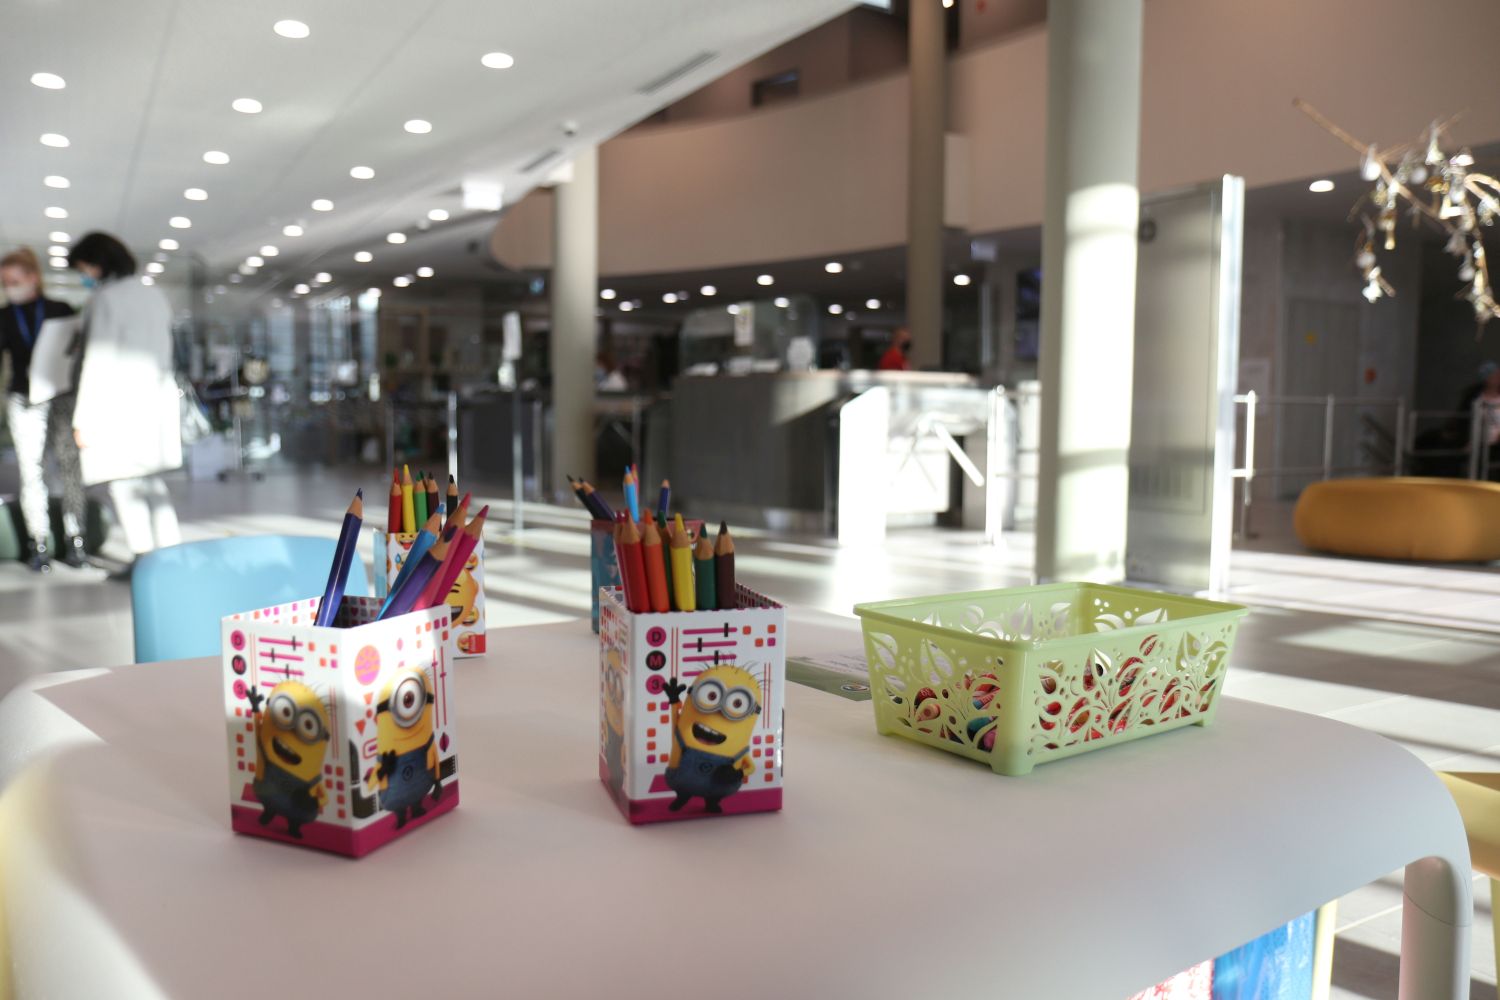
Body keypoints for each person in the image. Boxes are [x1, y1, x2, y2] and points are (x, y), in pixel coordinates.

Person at [67, 232, 182, 559]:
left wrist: (83, 419)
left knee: (123, 484)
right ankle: (172, 555)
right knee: (151, 484)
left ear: (99, 263)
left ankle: (143, 559)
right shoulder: (154, 295)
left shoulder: (106, 299)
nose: (85, 275)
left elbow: (98, 361)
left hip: (117, 405)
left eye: (85, 267)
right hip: (154, 401)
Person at [1, 248, 85, 571]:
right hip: (24, 398)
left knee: (69, 466)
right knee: (31, 470)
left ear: (33, 278)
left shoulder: (59, 309)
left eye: (15, 281)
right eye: (5, 283)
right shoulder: (5, 317)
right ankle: (39, 542)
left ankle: (76, 539)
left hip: (60, 395)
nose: (10, 288)